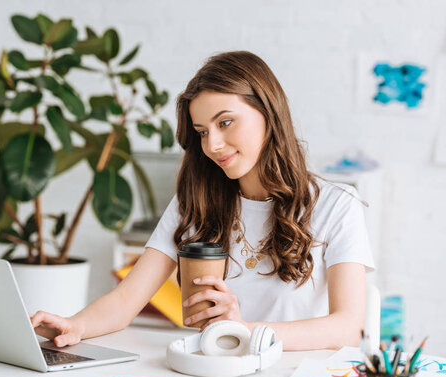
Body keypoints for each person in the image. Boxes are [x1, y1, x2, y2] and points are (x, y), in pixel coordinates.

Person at [31, 51, 375, 351]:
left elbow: (347, 328)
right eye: (202, 132)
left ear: (268, 114)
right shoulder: (196, 202)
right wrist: (74, 326)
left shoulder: (336, 205)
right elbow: (125, 301)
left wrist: (244, 333)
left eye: (225, 122)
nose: (212, 145)